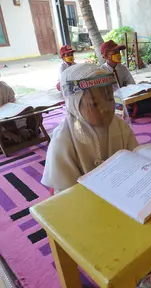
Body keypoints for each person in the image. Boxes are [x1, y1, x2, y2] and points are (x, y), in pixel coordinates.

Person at [42, 64, 138, 194]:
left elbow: (137, 162)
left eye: (110, 99)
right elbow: (66, 194)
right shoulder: (63, 140)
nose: (105, 108)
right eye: (94, 104)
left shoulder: (120, 127)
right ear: (74, 104)